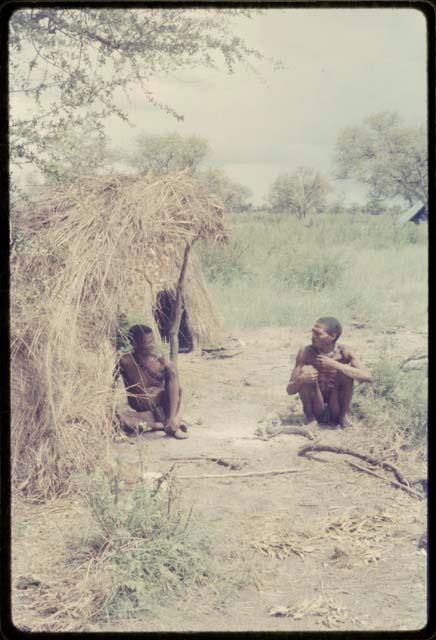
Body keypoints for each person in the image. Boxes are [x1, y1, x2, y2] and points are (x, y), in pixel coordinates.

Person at [286, 317, 372, 429]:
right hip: (317, 407)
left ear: (332, 336)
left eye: (318, 334)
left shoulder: (345, 352)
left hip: (335, 407)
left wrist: (336, 365)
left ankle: (343, 417)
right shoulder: (306, 352)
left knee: (346, 372)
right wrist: (301, 379)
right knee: (306, 372)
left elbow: (368, 376)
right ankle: (310, 418)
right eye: (313, 333)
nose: (313, 337)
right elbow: (290, 390)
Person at [115, 324, 188, 439]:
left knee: (179, 390)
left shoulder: (161, 361)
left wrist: (169, 366)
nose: (150, 346)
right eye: (145, 343)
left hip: (164, 409)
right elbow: (110, 387)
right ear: (134, 343)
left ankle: (173, 419)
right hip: (141, 413)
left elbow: (175, 386)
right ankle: (164, 425)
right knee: (118, 418)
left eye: (152, 342)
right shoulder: (125, 361)